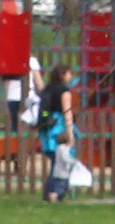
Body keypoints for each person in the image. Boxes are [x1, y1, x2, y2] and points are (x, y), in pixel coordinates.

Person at [38, 64, 75, 203]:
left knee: (55, 160)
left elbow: (45, 109)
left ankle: (51, 192)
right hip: (59, 126)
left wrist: (47, 118)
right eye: (69, 73)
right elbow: (67, 111)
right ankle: (54, 193)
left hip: (48, 127)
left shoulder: (48, 89)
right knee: (61, 160)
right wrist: (70, 132)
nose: (70, 76)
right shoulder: (64, 91)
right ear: (63, 75)